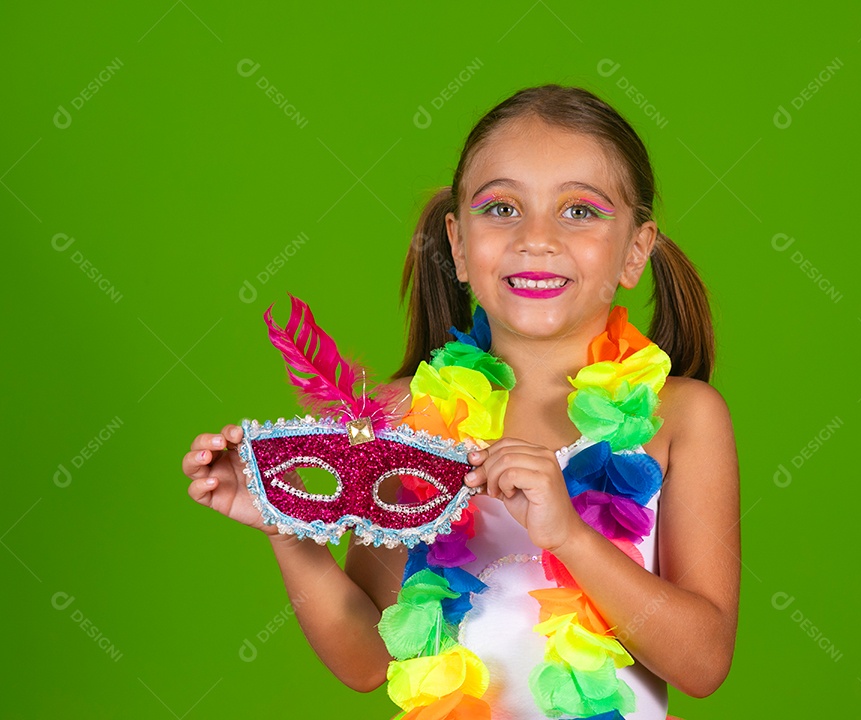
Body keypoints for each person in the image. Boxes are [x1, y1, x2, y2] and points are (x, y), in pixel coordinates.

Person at [182, 84, 740, 719]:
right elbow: (368, 660)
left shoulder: (682, 416)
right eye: (502, 208)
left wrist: (570, 537)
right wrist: (287, 523)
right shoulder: (404, 418)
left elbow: (702, 663)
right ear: (457, 244)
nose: (536, 238)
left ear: (635, 250)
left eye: (579, 210)